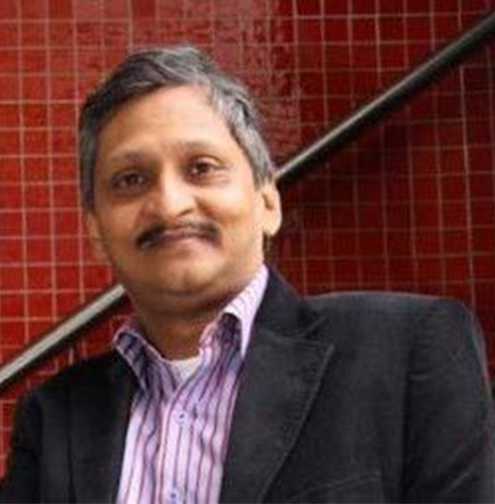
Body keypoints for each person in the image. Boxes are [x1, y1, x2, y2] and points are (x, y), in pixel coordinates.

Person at [1, 45, 494, 504]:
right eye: (131, 180)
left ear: (267, 201)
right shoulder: (53, 417)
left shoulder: (407, 351)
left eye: (201, 168)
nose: (170, 205)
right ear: (95, 230)